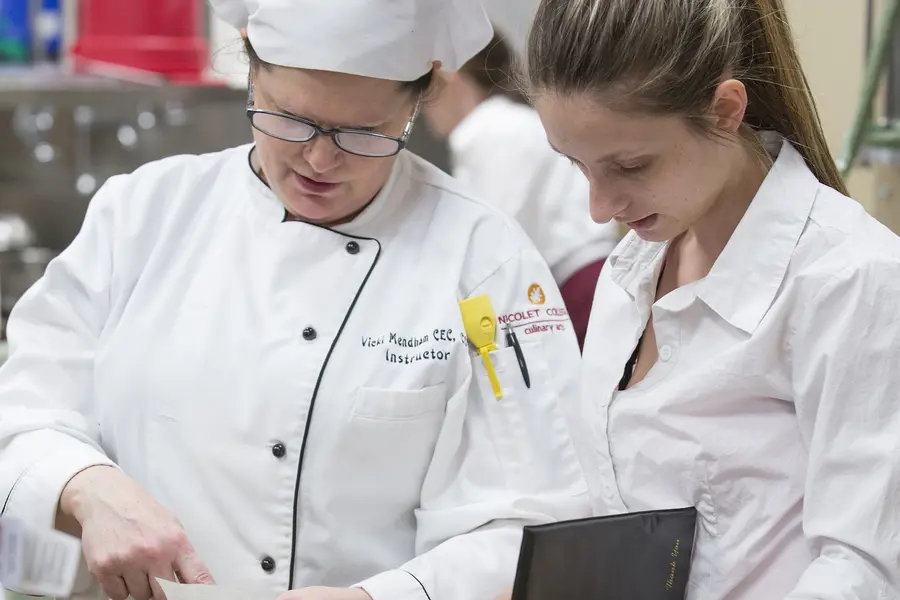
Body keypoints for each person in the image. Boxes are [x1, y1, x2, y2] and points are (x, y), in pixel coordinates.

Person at [0, 1, 593, 599]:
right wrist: (87, 484)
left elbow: (532, 520)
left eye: (363, 133)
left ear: (419, 101)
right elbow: (22, 413)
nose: (319, 159)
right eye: (290, 119)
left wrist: (382, 597)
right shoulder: (143, 214)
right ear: (251, 72)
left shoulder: (483, 260)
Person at [505, 0, 900, 597]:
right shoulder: (630, 270)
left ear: (725, 111)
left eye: (630, 165)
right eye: (578, 166)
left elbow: (865, 569)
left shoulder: (851, 281)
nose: (599, 207)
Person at [422, 32, 619, 350]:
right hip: (577, 285)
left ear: (449, 77)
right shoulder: (500, 127)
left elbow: (493, 240)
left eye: (423, 89)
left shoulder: (494, 131)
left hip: (579, 289)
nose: (421, 107)